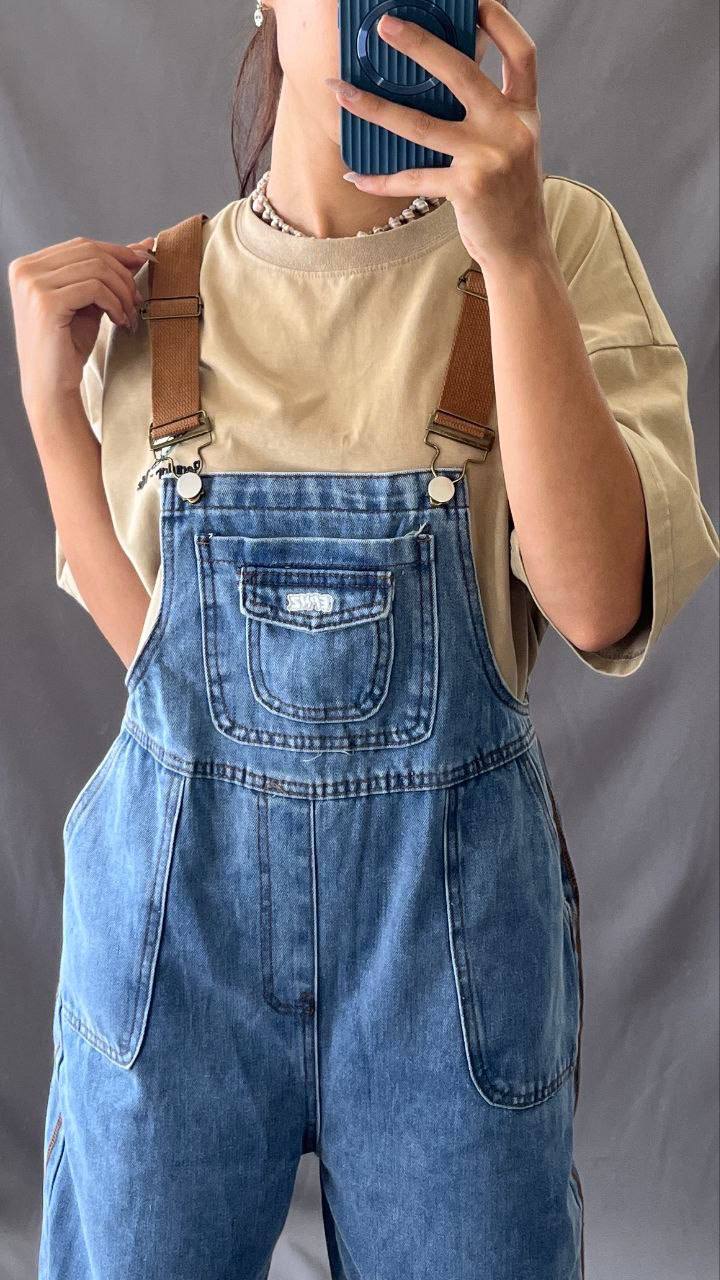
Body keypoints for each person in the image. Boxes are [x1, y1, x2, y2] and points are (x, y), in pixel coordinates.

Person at [8, 1, 719, 1277]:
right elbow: (159, 670)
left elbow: (600, 600)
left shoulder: (555, 240)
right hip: (177, 956)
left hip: (448, 967)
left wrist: (513, 259)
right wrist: (56, 416)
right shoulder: (161, 291)